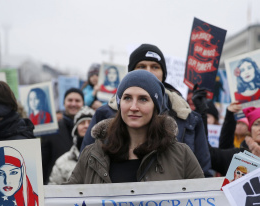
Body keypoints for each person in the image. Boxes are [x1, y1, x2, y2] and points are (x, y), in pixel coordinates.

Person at [81, 44, 212, 177]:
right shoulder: (104, 114)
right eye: (141, 66)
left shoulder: (188, 118)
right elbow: (84, 173)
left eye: (155, 67)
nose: (149, 71)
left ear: (164, 73)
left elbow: (202, 174)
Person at [68, 70, 204, 184]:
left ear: (155, 107)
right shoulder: (92, 154)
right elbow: (66, 202)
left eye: (143, 99)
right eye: (127, 98)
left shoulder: (181, 155)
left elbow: (204, 204)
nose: (133, 107)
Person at [209, 106, 260, 175]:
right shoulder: (237, 155)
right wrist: (200, 114)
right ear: (250, 130)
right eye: (256, 124)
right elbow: (207, 154)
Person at [41, 88, 84, 184]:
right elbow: (43, 163)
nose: (73, 104)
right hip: (56, 188)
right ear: (64, 103)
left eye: (77, 101)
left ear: (83, 104)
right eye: (70, 100)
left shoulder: (90, 131)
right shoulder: (51, 130)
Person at [49, 106, 94, 185]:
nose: (86, 126)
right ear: (75, 130)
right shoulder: (62, 162)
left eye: (90, 122)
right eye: (82, 123)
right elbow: (53, 191)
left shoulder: (106, 158)